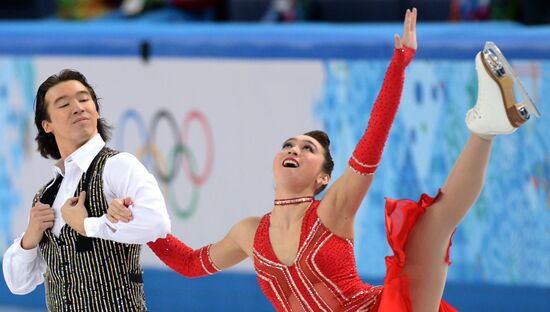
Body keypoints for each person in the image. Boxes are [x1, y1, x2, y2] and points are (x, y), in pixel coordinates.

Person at [107, 8, 538, 312]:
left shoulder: (333, 210)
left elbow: (371, 142)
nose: (294, 150)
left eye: (308, 149)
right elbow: (189, 263)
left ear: (323, 177)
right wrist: (144, 227)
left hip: (383, 311)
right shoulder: (248, 233)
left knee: (431, 224)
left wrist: (398, 66)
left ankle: (486, 124)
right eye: (289, 144)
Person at [2, 70, 171, 311]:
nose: (78, 107)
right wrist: (29, 238)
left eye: (84, 99)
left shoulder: (117, 166)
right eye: (64, 104)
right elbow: (19, 284)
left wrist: (88, 226)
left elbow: (157, 223)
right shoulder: (47, 196)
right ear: (47, 125)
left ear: (96, 110)